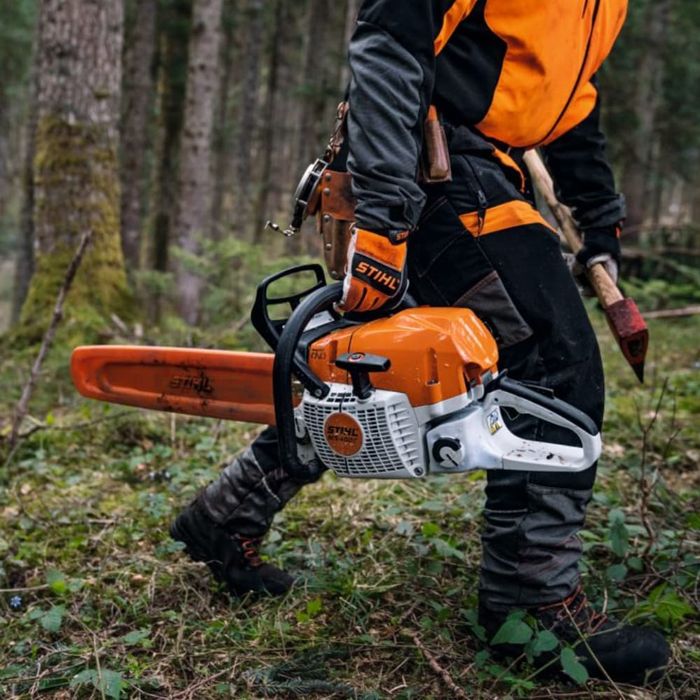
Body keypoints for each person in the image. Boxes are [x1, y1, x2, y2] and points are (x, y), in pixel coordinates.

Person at [171, 0, 669, 686]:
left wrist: (600, 221)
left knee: (375, 372)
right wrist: (385, 216)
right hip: (425, 159)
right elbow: (390, 41)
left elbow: (569, 98)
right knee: (556, 363)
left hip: (489, 167)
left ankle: (226, 514)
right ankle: (530, 603)